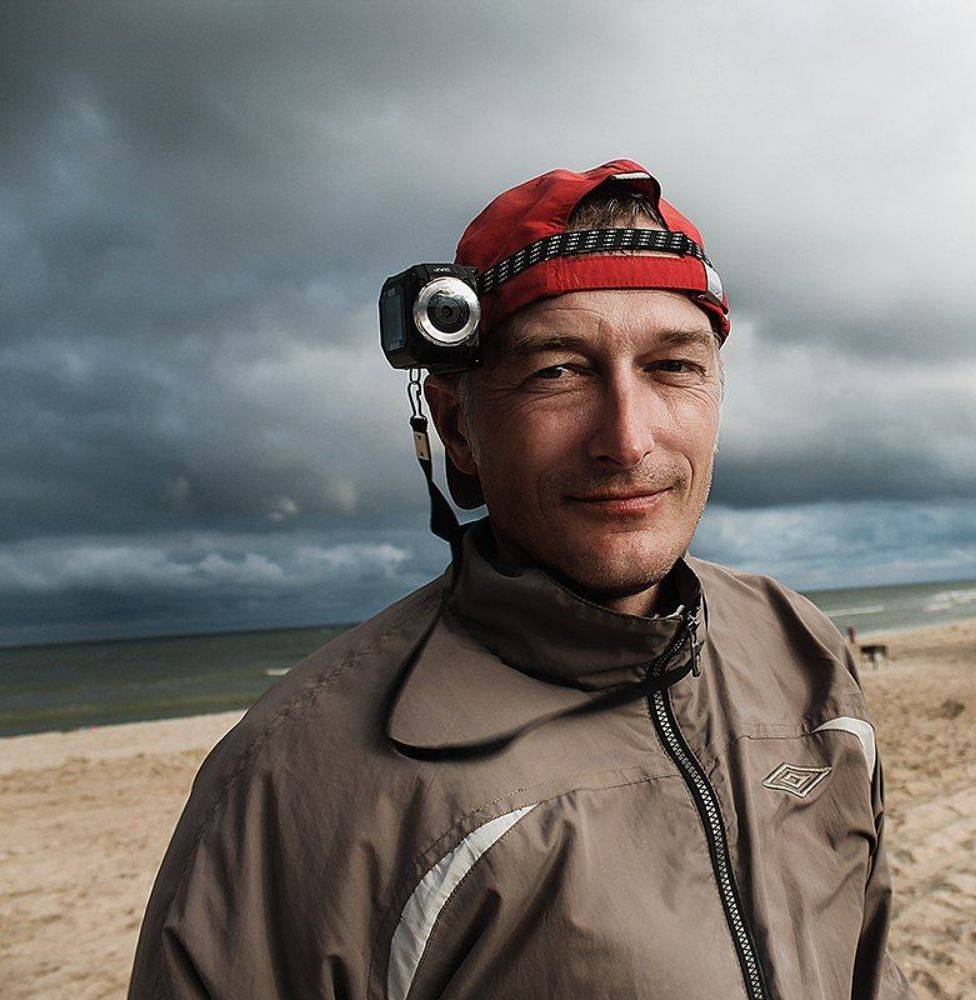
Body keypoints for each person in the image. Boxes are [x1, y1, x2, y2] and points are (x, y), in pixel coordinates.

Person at [129, 161, 913, 999]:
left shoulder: (799, 650)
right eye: (558, 372)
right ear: (458, 428)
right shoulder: (295, 782)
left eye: (672, 367)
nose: (628, 439)